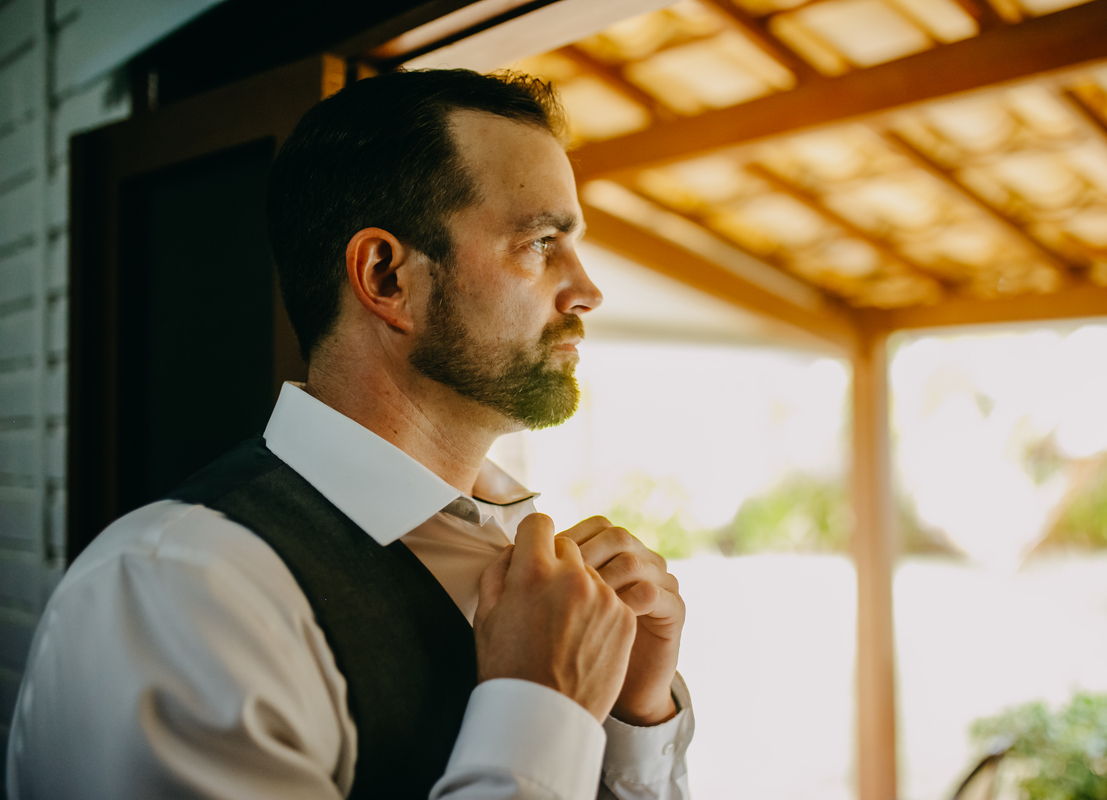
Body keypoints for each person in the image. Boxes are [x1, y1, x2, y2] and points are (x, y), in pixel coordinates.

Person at [5, 69, 692, 800]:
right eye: (541, 242)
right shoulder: (172, 592)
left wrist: (630, 720)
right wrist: (542, 709)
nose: (587, 290)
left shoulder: (539, 571)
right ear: (386, 276)